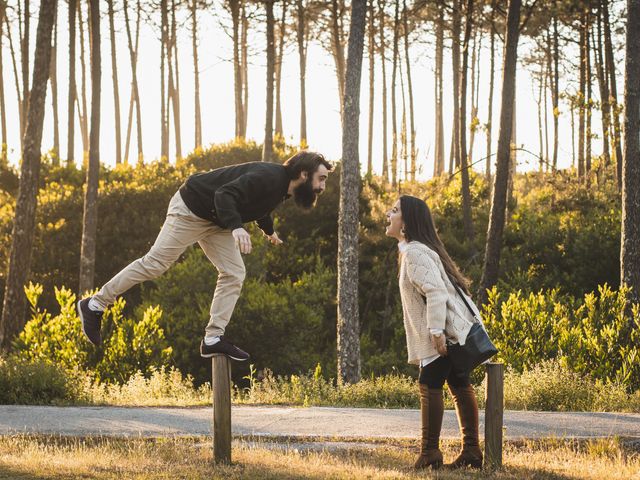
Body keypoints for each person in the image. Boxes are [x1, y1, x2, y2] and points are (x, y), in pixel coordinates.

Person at [78, 151, 332, 361]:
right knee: (155, 264)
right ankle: (95, 304)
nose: (322, 186)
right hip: (192, 209)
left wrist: (269, 230)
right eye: (321, 179)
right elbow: (225, 194)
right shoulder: (269, 177)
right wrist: (237, 227)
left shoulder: (282, 188)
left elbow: (257, 205)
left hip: (217, 219)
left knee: (234, 273)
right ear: (304, 174)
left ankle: (213, 338)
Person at [385, 195, 483, 470]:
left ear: (406, 223)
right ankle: (471, 453)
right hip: (446, 333)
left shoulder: (415, 252)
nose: (388, 214)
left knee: (429, 384)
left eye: (394, 211)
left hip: (440, 336)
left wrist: (436, 332)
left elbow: (436, 292)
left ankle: (430, 453)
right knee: (459, 383)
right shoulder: (414, 250)